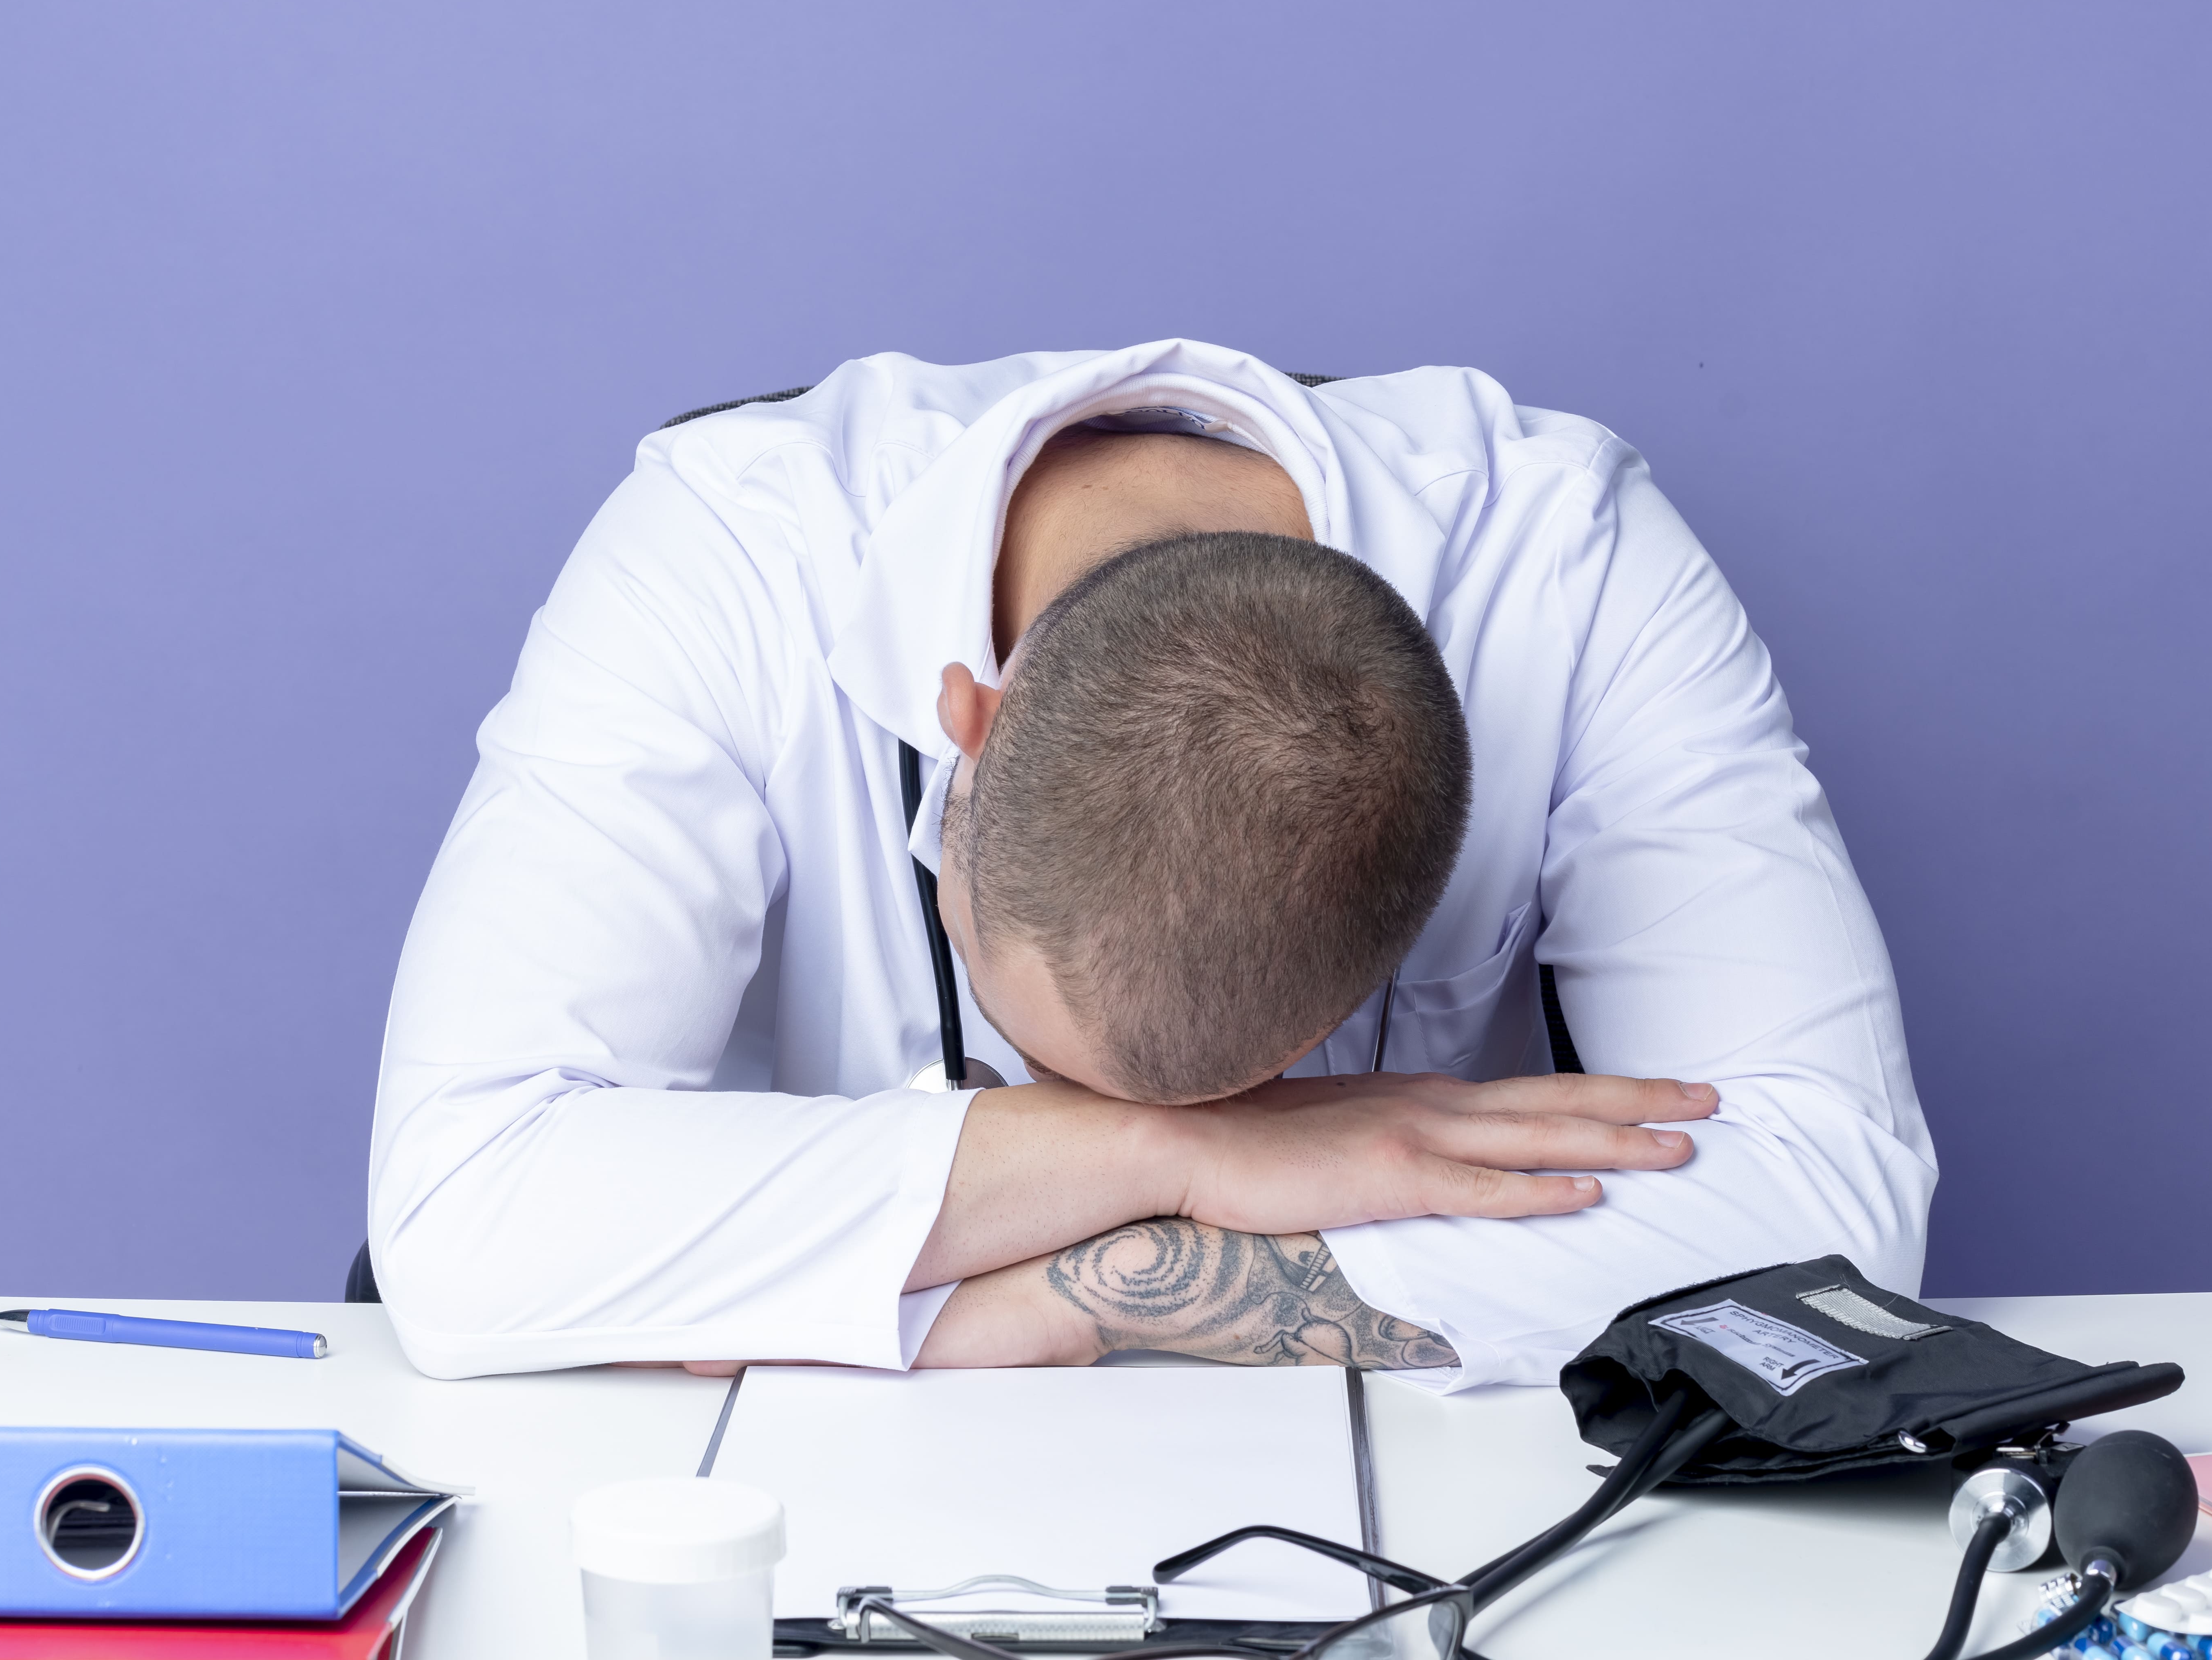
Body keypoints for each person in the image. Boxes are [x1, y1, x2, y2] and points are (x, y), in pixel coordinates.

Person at [368, 340, 1932, 1388]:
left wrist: (1069, 1296)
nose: (1144, 1133)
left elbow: (1837, 1206)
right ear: (964, 728)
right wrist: (1183, 1160)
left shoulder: (1574, 572)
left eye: (1234, 1103)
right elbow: (461, 1212)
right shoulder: (726, 547)